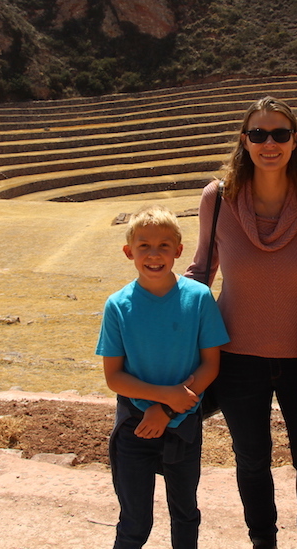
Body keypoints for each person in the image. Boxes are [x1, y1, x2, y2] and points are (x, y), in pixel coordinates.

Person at [186, 96, 297, 549]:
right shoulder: (218, 199)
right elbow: (202, 270)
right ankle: (263, 542)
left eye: (279, 134)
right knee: (251, 460)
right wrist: (153, 309)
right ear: (244, 140)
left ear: (295, 140)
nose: (268, 143)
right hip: (236, 356)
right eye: (258, 134)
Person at [97, 206, 230, 549]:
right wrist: (165, 398)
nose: (154, 255)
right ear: (129, 252)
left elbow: (210, 366)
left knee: (185, 514)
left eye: (164, 246)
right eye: (144, 246)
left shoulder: (198, 298)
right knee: (134, 523)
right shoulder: (117, 305)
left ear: (179, 251)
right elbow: (114, 377)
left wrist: (168, 409)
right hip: (135, 425)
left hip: (183, 424)